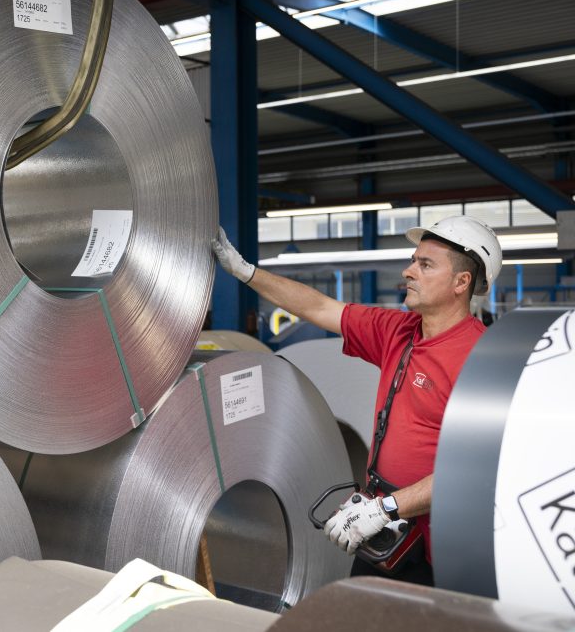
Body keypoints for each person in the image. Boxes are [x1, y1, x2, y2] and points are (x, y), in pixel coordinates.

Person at [212, 215, 503, 585]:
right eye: (413, 260)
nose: (408, 271)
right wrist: (245, 271)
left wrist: (386, 508)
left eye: (425, 264)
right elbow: (319, 308)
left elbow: (475, 470)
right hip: (385, 534)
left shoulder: (480, 360)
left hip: (443, 550)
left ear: (461, 282)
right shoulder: (398, 332)